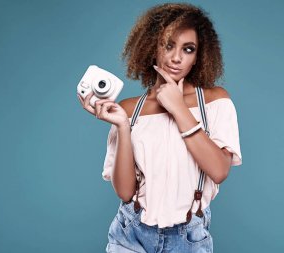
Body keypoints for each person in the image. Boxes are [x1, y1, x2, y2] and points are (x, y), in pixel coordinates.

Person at [78, 3, 242, 253]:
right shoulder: (130, 109)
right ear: (152, 47)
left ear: (198, 56)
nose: (177, 58)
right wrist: (122, 125)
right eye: (168, 45)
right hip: (129, 234)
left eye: (188, 49)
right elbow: (125, 192)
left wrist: (178, 109)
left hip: (188, 239)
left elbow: (219, 170)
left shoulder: (215, 101)